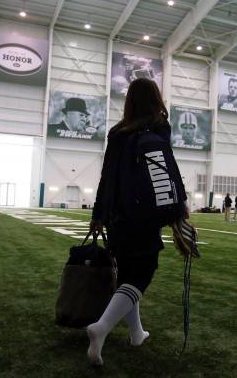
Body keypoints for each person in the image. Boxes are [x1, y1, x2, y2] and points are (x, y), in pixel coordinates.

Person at [86, 78, 188, 366]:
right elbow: (167, 170)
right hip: (143, 214)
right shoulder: (158, 126)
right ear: (155, 98)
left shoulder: (117, 132)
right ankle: (101, 327)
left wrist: (97, 215)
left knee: (128, 274)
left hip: (116, 215)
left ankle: (136, 333)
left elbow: (106, 176)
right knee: (142, 273)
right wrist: (178, 206)